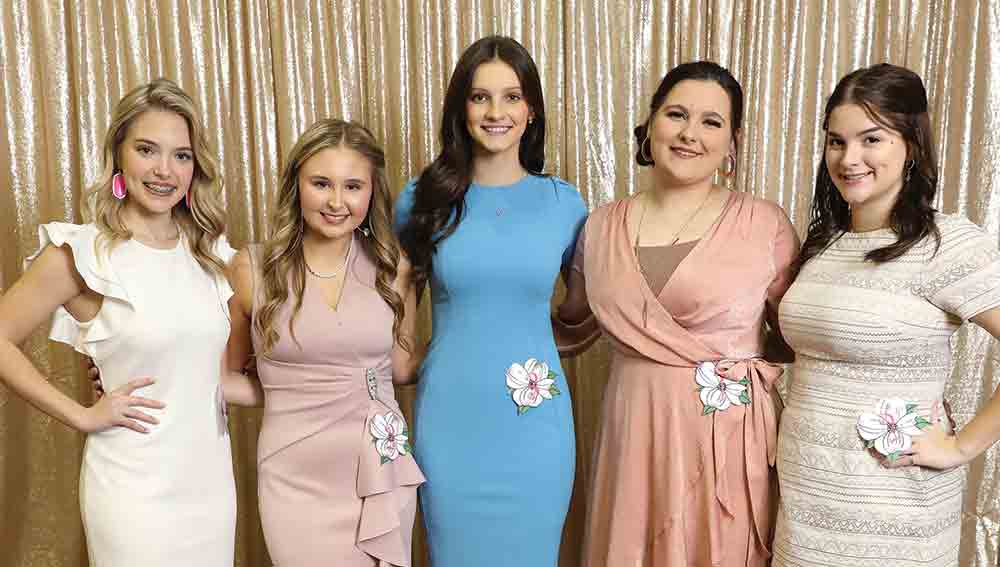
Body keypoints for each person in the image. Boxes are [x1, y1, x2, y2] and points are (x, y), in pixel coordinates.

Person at [555, 61, 798, 566]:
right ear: (651, 123)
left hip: (723, 436)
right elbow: (567, 328)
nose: (690, 134)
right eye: (677, 114)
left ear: (732, 141)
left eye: (712, 122)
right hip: (633, 436)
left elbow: (802, 335)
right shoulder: (599, 227)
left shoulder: (764, 223)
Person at [0, 79, 236, 565]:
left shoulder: (211, 255)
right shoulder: (83, 252)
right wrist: (83, 416)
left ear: (196, 167)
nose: (164, 170)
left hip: (210, 486)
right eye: (147, 149)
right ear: (119, 155)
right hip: (132, 493)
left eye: (182, 156)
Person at [773, 63, 1000, 567]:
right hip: (807, 503)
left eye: (870, 139)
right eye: (836, 142)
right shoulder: (823, 244)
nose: (849, 158)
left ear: (911, 144)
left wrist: (961, 448)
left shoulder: (948, 244)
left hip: (896, 514)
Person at [395, 35, 587, 566]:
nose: (495, 112)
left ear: (531, 111)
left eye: (511, 96)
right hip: (450, 423)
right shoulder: (420, 199)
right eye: (480, 97)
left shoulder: (564, 203)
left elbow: (584, 310)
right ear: (461, 108)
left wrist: (532, 339)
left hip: (536, 433)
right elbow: (398, 307)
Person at [223, 119, 425, 566]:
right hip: (295, 478)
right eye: (321, 183)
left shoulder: (396, 268)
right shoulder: (251, 268)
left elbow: (403, 368)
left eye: (353, 186)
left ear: (372, 193)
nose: (337, 202)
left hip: (382, 462)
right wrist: (143, 375)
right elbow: (230, 379)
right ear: (296, 185)